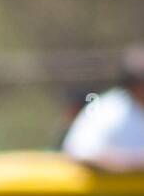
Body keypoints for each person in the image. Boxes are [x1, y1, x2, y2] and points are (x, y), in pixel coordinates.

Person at [62, 44, 144, 172]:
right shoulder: (107, 110)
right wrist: (131, 162)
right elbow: (80, 150)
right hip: (113, 190)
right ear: (135, 84)